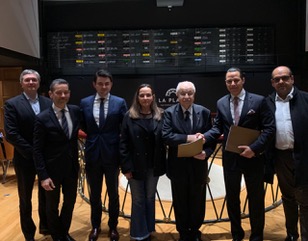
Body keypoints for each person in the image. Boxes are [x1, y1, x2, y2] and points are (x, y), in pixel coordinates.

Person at [204, 67, 275, 241]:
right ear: (226, 83)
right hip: (231, 158)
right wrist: (204, 137)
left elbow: (269, 128)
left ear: (243, 80)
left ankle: (257, 235)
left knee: (256, 199)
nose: (233, 83)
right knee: (233, 199)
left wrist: (254, 148)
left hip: (253, 157)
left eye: (236, 80)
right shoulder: (221, 102)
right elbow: (218, 128)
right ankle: (237, 234)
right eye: (229, 81)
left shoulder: (259, 101)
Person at [162, 81, 216, 241]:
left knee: (197, 201)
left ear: (194, 95)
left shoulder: (205, 112)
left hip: (198, 165)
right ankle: (183, 233)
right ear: (177, 96)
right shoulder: (169, 113)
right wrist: (189, 138)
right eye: (183, 94)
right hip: (177, 166)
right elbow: (166, 136)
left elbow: (211, 141)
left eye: (190, 93)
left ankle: (195, 231)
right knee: (180, 202)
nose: (186, 97)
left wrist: (206, 153)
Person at [80, 69, 127, 241]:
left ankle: (113, 227)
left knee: (114, 193)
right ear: (94, 84)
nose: (103, 86)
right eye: (100, 83)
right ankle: (95, 226)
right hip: (92, 154)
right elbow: (84, 126)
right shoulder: (84, 102)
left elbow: (124, 127)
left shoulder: (119, 102)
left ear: (111, 84)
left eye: (107, 83)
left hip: (112, 155)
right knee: (94, 194)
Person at [4, 69, 51, 241]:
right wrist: (34, 152)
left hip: (46, 159)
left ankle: (46, 226)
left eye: (34, 80)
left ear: (38, 83)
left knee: (46, 195)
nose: (31, 83)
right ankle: (28, 233)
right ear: (21, 83)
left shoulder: (48, 102)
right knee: (25, 198)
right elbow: (11, 134)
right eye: (27, 80)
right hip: (25, 158)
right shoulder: (12, 104)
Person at [33, 79, 80, 241]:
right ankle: (57, 236)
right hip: (51, 171)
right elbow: (37, 150)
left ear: (69, 94)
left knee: (70, 203)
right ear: (50, 94)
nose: (62, 95)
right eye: (58, 92)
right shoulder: (42, 118)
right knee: (51, 206)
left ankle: (63, 232)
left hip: (71, 169)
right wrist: (43, 176)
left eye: (65, 92)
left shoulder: (75, 111)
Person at [266, 66, 308, 241]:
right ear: (272, 83)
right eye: (277, 79)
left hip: (304, 157)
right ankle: (292, 235)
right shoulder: (267, 102)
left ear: (292, 79)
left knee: (305, 200)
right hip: (280, 158)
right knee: (288, 199)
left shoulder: (306, 99)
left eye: (284, 78)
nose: (281, 81)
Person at [120, 84, 166, 241]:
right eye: (142, 95)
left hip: (153, 165)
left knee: (149, 197)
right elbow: (123, 143)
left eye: (148, 95)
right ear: (137, 97)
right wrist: (125, 167)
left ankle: (148, 229)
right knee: (138, 199)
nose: (145, 98)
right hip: (135, 165)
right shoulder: (129, 116)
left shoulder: (161, 114)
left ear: (153, 96)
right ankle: (138, 234)